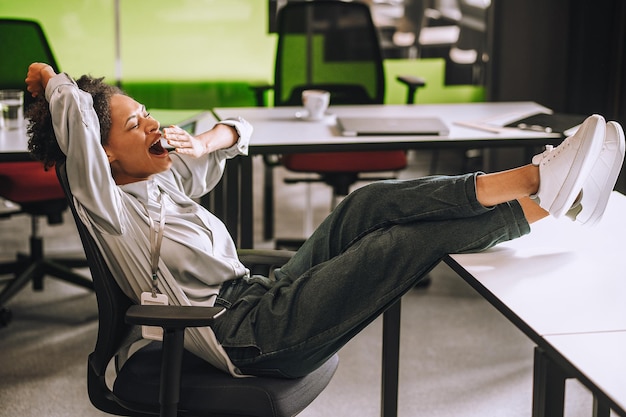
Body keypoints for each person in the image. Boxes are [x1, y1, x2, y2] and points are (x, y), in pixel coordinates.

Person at [25, 62, 625, 379]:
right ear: (99, 156)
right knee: (393, 245)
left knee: (365, 205)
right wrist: (50, 81)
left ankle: (553, 193)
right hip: (248, 336)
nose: (154, 126)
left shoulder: (161, 179)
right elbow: (73, 116)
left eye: (149, 115)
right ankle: (545, 189)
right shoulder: (107, 206)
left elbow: (242, 131)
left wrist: (204, 144)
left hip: (263, 296)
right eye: (136, 126)